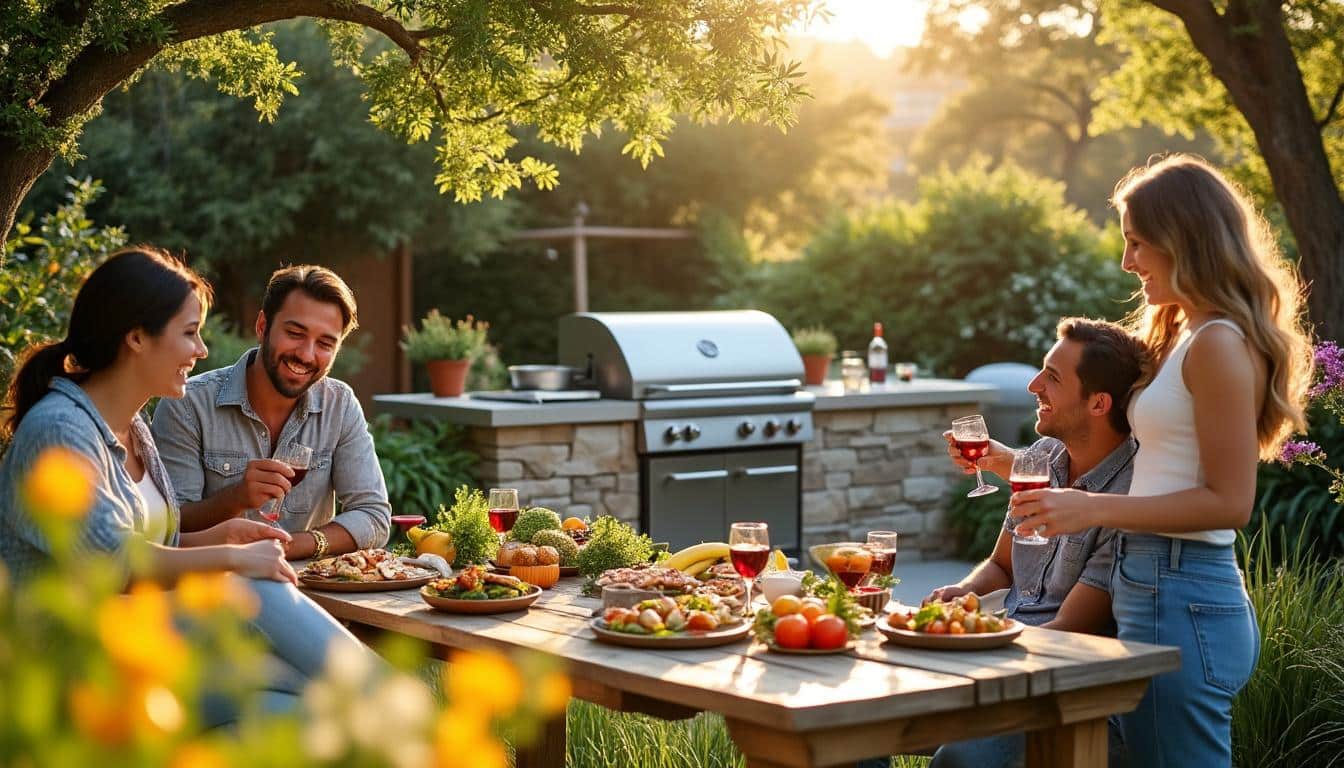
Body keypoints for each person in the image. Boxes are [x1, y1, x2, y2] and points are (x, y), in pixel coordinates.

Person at [1010, 154, 1314, 767]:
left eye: (1138, 243)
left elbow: (1230, 504)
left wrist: (1092, 507)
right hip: (1157, 585)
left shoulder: (1219, 344)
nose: (1128, 262)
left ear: (1184, 239)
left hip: (1184, 590)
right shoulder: (1187, 334)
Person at [0, 247, 367, 721]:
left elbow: (155, 543)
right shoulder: (59, 430)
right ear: (136, 337)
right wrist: (234, 559)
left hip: (141, 653)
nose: (202, 350)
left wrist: (225, 535)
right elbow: (113, 564)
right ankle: (417, 723)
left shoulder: (133, 430)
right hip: (76, 675)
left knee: (308, 709)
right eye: (190, 333)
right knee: (254, 592)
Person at [855, 317, 1148, 768]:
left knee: (962, 761)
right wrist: (964, 593)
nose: (1033, 385)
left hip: (1062, 685)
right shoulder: (1039, 459)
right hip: (1002, 659)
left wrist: (973, 645)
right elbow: (1002, 566)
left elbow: (1070, 629)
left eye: (1052, 377)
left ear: (1098, 403)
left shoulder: (1127, 496)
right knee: (847, 727)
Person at [152, 264, 391, 561]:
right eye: (295, 333)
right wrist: (236, 498)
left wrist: (289, 546)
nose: (306, 354)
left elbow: (374, 516)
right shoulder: (188, 404)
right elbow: (169, 525)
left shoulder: (339, 404)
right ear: (263, 327)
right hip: (216, 590)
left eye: (325, 343)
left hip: (309, 587)